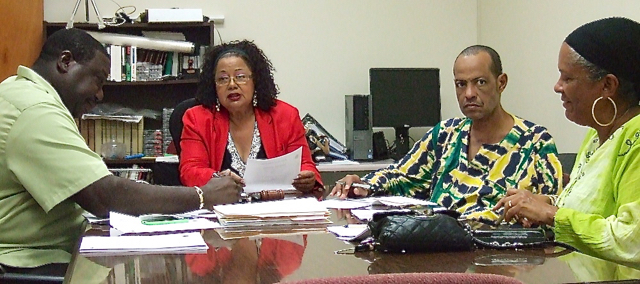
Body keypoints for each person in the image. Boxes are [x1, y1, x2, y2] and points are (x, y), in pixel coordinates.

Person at [0, 28, 242, 274]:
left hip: (50, 248)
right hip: (29, 261)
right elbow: (103, 195)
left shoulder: (18, 92)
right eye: (98, 79)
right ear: (65, 62)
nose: (100, 94)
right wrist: (202, 196)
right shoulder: (35, 110)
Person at [331, 45, 563, 222]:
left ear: (501, 83)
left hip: (500, 258)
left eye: (480, 82)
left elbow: (553, 208)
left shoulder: (534, 141)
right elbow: (402, 176)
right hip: (438, 248)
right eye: (461, 84)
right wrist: (362, 184)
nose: (469, 93)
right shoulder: (446, 134)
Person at [495, 17, 640, 266]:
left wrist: (552, 215)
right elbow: (595, 211)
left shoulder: (636, 140)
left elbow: (632, 241)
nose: (557, 87)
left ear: (607, 85)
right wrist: (543, 204)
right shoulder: (596, 136)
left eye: (568, 78)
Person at [179, 40, 323, 194]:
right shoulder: (197, 119)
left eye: (240, 77)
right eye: (222, 79)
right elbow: (189, 171)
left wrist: (307, 178)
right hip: (220, 209)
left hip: (275, 209)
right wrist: (217, 177)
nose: (232, 84)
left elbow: (305, 164)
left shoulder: (285, 116)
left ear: (255, 81)